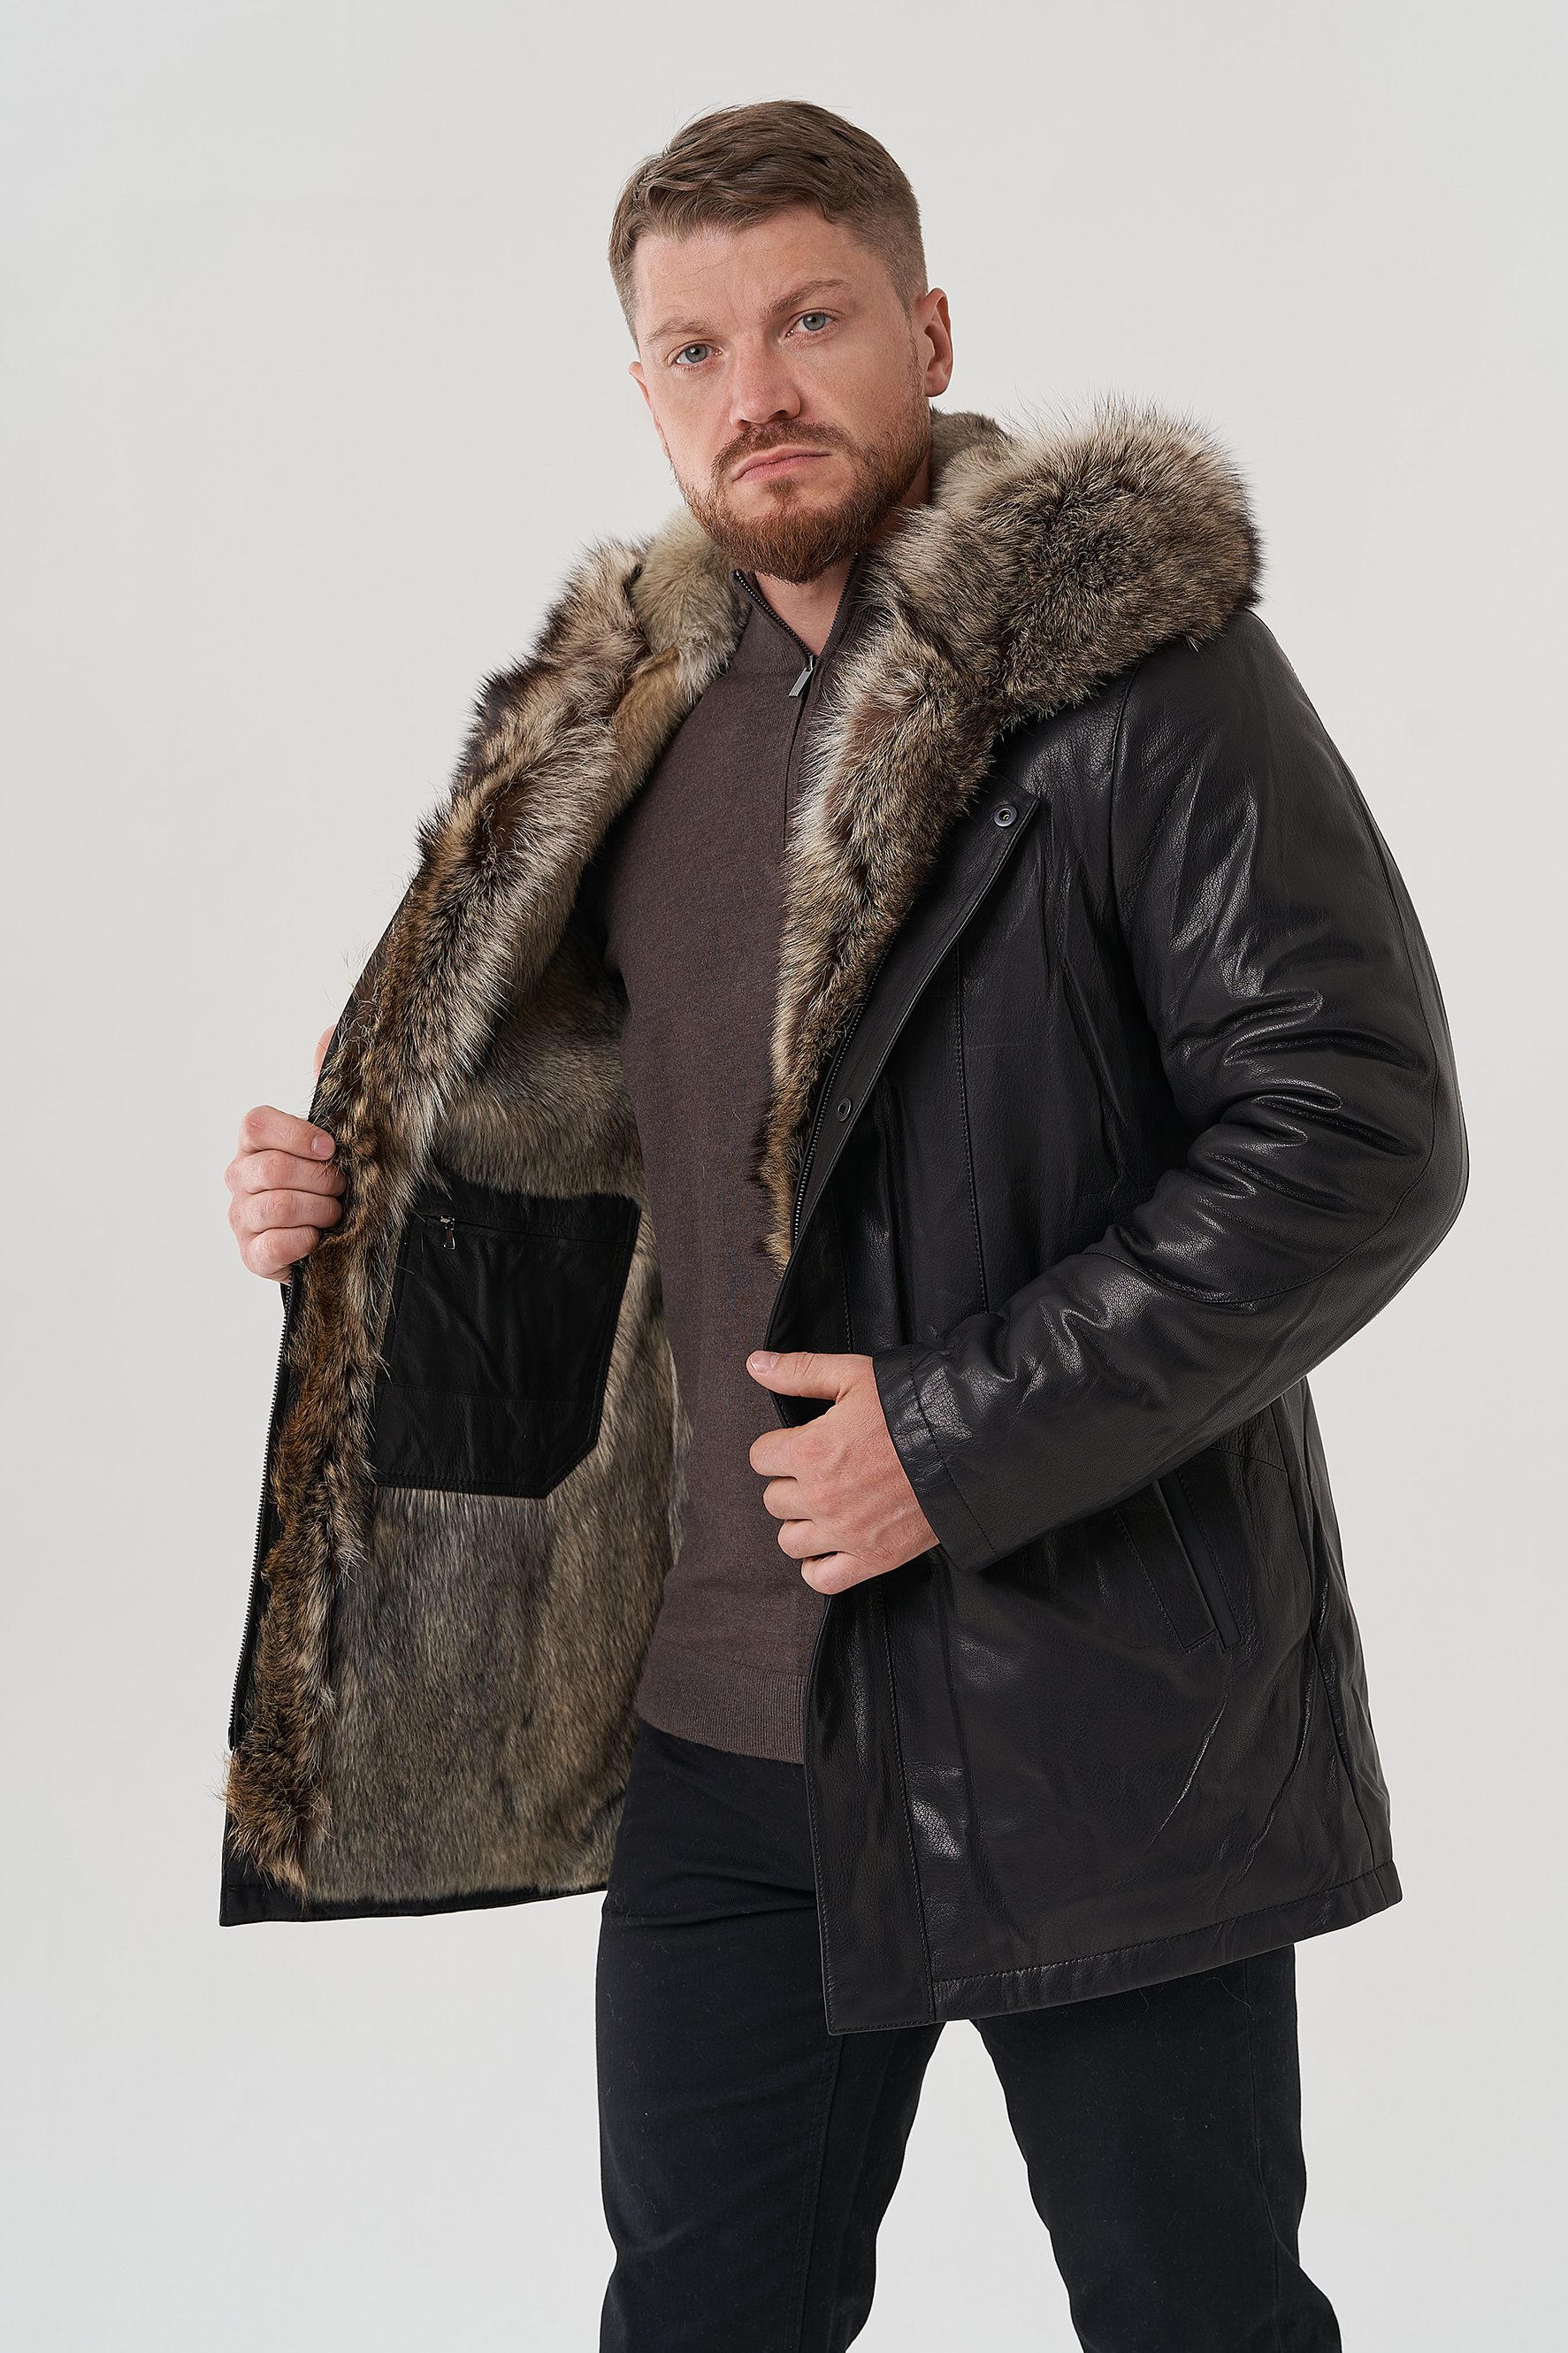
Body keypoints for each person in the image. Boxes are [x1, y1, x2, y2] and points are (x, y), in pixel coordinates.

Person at [220, 99, 1466, 2351]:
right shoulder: (621, 723)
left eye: (810, 320)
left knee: (1192, 2314)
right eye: (693, 349)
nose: (756, 391)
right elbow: (616, 1145)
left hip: (1094, 1715)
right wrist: (360, 1189)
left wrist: (950, 1441)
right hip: (719, 1735)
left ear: (929, 331)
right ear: (642, 389)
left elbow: (1355, 1134)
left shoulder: (1130, 674)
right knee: (698, 2318)